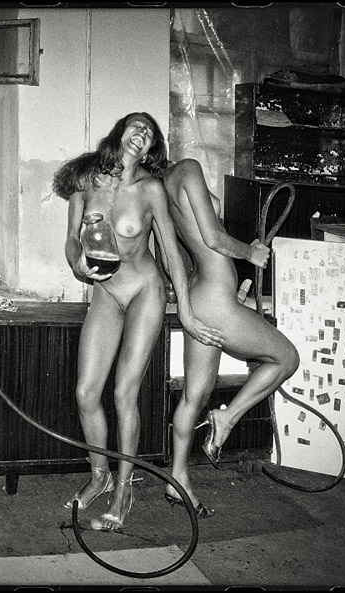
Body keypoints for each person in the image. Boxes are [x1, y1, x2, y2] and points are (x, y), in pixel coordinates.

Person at [53, 113, 223, 532]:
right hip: (106, 292)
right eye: (136, 125)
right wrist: (77, 265)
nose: (142, 133)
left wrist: (185, 311)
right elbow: (72, 241)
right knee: (85, 393)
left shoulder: (150, 189)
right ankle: (100, 476)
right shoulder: (87, 181)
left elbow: (171, 254)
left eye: (149, 132)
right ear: (119, 133)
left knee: (123, 394)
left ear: (150, 148)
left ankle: (124, 491)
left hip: (145, 291)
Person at [161, 158, 300, 514]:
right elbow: (213, 238)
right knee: (287, 359)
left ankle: (177, 481)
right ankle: (228, 417)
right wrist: (250, 253)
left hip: (202, 296)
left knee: (194, 395)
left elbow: (171, 257)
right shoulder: (187, 168)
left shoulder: (160, 187)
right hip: (216, 302)